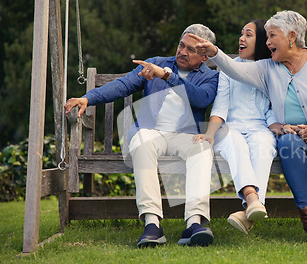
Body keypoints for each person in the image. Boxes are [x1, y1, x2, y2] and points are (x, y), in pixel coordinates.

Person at [190, 11, 307, 246]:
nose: (267, 42)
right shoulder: (268, 68)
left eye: (272, 36)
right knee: (287, 143)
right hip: (296, 133)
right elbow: (236, 70)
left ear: (291, 36)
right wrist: (214, 53)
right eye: (266, 37)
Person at [64, 24, 219, 247]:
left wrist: (167, 76)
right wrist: (88, 99)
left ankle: (194, 223)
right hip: (151, 132)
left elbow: (201, 99)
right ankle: (152, 224)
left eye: (191, 49)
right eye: (181, 45)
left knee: (203, 148)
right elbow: (123, 85)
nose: (182, 52)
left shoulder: (210, 77)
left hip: (184, 136)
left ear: (204, 56)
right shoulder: (156, 63)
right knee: (141, 141)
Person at [193, 20, 278, 234]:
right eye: (241, 34)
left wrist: (275, 125)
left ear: (260, 41)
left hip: (260, 128)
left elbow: (271, 108)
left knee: (263, 144)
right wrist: (210, 134)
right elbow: (220, 106)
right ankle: (252, 198)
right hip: (230, 128)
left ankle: (248, 212)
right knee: (236, 143)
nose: (241, 38)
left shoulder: (270, 69)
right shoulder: (228, 68)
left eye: (248, 35)